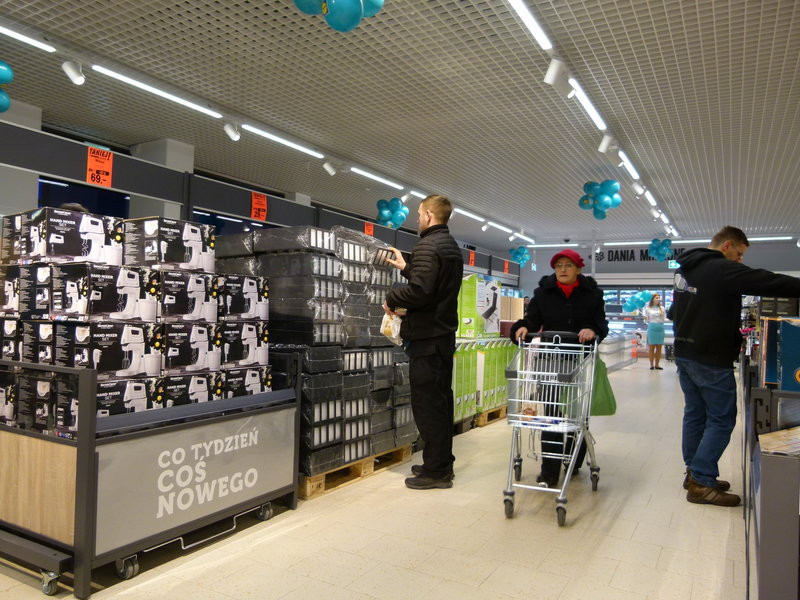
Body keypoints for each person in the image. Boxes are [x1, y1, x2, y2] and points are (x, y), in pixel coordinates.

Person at [671, 226, 800, 506]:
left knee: (695, 414)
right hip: (710, 357)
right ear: (727, 245)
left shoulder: (684, 270)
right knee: (721, 418)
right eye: (739, 254)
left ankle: (694, 473)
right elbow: (768, 281)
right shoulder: (720, 268)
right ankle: (702, 482)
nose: (740, 260)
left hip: (684, 353)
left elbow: (674, 312)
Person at [509, 249, 608, 488]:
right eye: (559, 266)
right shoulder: (543, 293)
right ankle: (549, 472)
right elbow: (532, 319)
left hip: (580, 360)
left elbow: (600, 324)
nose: (563, 270)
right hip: (550, 362)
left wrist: (592, 330)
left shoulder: (592, 295)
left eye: (568, 265)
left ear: (578, 269)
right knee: (552, 417)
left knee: (577, 417)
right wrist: (522, 328)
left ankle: (573, 463)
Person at [383, 194, 463, 490]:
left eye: (418, 214)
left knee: (428, 405)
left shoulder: (428, 244)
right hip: (442, 336)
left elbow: (420, 292)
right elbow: (436, 284)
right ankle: (439, 462)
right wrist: (407, 266)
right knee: (440, 402)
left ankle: (437, 472)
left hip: (428, 339)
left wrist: (392, 296)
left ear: (429, 215)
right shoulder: (449, 245)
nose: (416, 218)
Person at [643, 293, 666, 370]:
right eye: (656, 298)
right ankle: (651, 364)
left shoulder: (662, 308)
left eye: (659, 298)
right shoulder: (647, 308)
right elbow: (645, 320)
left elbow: (664, 319)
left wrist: (663, 316)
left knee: (659, 347)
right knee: (651, 347)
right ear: (652, 299)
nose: (658, 299)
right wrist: (645, 319)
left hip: (660, 328)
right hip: (652, 328)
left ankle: (657, 364)